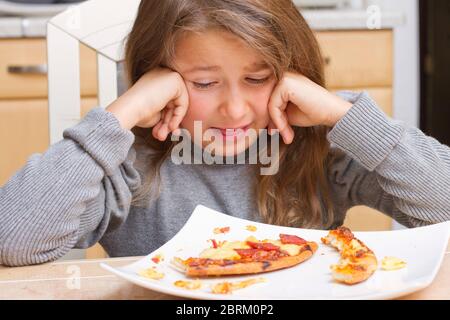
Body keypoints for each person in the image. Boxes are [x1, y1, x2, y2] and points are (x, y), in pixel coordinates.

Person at [0, 0, 449, 267]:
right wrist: (123, 111)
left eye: (258, 79)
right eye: (204, 83)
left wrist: (344, 117)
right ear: (157, 77)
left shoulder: (326, 143)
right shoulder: (126, 157)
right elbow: (12, 239)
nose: (234, 110)